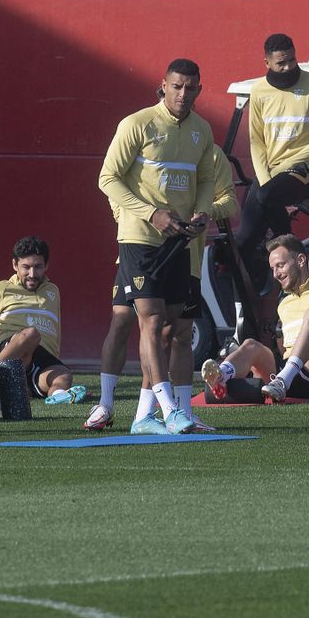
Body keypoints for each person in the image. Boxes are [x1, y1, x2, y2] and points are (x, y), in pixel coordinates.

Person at [98, 58, 222, 435]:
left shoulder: (202, 130)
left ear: (199, 90)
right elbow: (107, 178)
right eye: (177, 86)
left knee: (173, 328)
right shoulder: (137, 124)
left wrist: (202, 211)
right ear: (163, 86)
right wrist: (151, 213)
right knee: (147, 321)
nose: (183, 94)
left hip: (180, 240)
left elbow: (206, 180)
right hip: (140, 236)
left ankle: (147, 416)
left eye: (190, 88)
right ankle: (164, 409)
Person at [84, 145, 236, 433]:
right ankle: (106, 404)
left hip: (187, 257)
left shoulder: (210, 152)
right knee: (124, 320)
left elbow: (229, 200)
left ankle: (165, 412)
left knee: (176, 332)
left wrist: (202, 214)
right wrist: (133, 216)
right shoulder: (148, 141)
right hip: (140, 253)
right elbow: (114, 185)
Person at [202, 234, 309, 403]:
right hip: (292, 379)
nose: (275, 274)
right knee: (250, 345)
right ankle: (221, 376)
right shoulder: (284, 304)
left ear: (300, 260)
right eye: (273, 268)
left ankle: (282, 380)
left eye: (280, 265)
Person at [234, 33, 309, 285]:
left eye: (292, 60)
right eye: (281, 63)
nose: (288, 67)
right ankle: (249, 295)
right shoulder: (259, 90)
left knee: (267, 197)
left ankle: (294, 271)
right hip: (270, 176)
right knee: (243, 240)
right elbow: (256, 142)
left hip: (303, 171)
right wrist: (265, 178)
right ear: (267, 63)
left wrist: (287, 165)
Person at [0, 236, 77, 402]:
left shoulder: (52, 291)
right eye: (26, 267)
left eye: (38, 267)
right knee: (30, 335)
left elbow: (54, 332)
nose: (32, 274)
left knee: (63, 375)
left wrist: (53, 362)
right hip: (13, 350)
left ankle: (57, 397)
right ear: (15, 265)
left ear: (46, 265)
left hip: (40, 358)